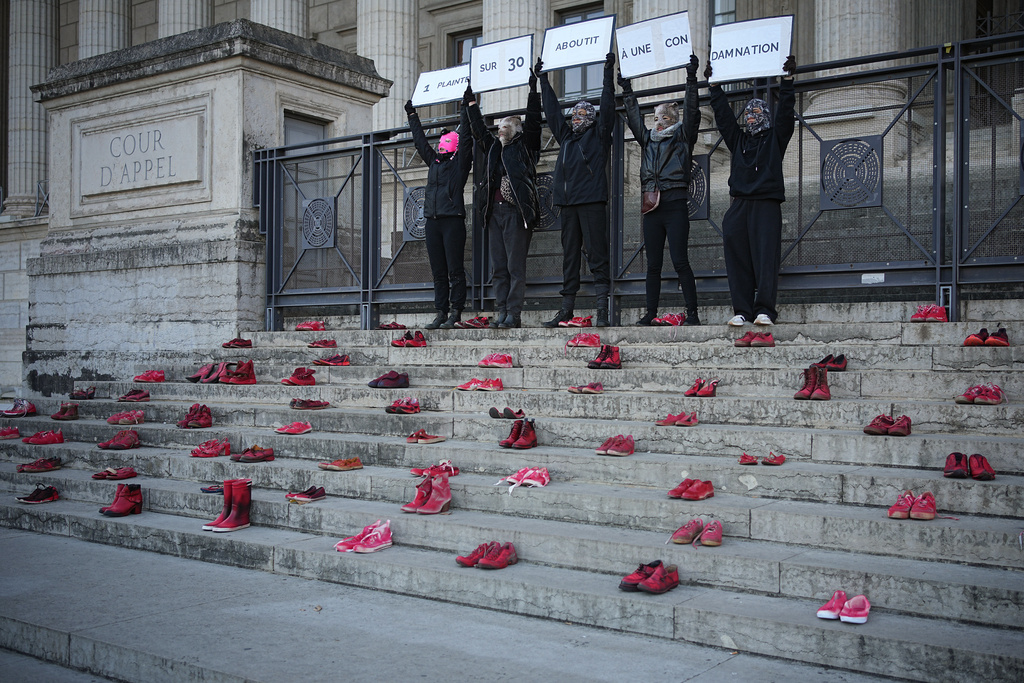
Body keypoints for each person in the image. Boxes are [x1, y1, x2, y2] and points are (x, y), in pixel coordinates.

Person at [706, 55, 796, 327]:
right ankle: (742, 310)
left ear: (765, 116)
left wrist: (788, 82)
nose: (751, 117)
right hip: (740, 205)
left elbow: (785, 116)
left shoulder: (775, 139)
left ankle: (765, 310)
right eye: (748, 114)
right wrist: (714, 88)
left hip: (766, 204)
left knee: (766, 257)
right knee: (738, 258)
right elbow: (724, 120)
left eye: (757, 113)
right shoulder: (740, 140)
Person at [620, 54, 703, 327]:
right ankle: (650, 313)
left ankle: (693, 314)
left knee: (681, 260)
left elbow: (692, 111)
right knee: (653, 263)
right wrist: (627, 90)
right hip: (651, 204)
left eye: (664, 117)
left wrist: (691, 79)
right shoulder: (648, 140)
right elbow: (633, 119)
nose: (659, 121)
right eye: (656, 117)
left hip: (675, 201)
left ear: (672, 119)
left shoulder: (682, 135)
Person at [537, 52, 616, 328]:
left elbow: (607, 106)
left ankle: (603, 311)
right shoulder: (567, 138)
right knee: (569, 256)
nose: (577, 118)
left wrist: (608, 72)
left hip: (592, 201)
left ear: (591, 119)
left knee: (597, 255)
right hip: (567, 205)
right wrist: (544, 81)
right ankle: (566, 310)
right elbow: (552, 113)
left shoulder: (600, 134)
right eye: (576, 114)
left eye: (583, 114)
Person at [464, 74, 542, 329]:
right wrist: (471, 104)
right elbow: (478, 131)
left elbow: (533, 123)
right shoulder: (494, 148)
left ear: (516, 130)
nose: (500, 129)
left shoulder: (526, 146)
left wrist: (533, 90)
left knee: (514, 265)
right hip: (494, 213)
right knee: (498, 266)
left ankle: (514, 314)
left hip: (515, 211)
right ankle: (501, 311)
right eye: (499, 127)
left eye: (506, 126)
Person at [405, 101, 473, 329]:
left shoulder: (460, 164)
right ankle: (440, 311)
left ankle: (456, 311)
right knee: (438, 272)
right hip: (432, 221)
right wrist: (412, 116)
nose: (441, 145)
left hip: (452, 220)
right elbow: (420, 142)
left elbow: (466, 140)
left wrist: (465, 108)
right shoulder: (434, 162)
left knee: (455, 269)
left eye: (446, 142)